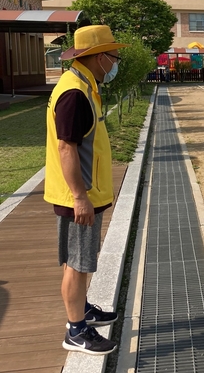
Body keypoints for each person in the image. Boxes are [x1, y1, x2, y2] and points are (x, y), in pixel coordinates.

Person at [44, 25, 128, 356]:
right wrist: (80, 197)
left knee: (81, 261)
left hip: (84, 193)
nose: (116, 62)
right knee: (78, 265)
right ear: (99, 58)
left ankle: (83, 310)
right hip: (77, 197)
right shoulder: (75, 93)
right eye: (115, 56)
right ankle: (76, 330)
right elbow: (67, 148)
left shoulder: (83, 85)